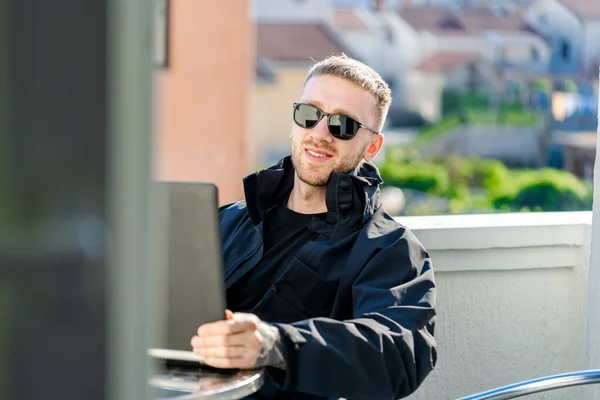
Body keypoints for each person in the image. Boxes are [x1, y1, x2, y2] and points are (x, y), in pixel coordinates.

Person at [190, 55, 437, 400]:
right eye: (310, 115)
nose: (320, 134)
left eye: (343, 125)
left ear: (373, 146)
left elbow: (400, 352)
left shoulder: (389, 249)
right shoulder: (228, 221)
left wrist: (276, 344)